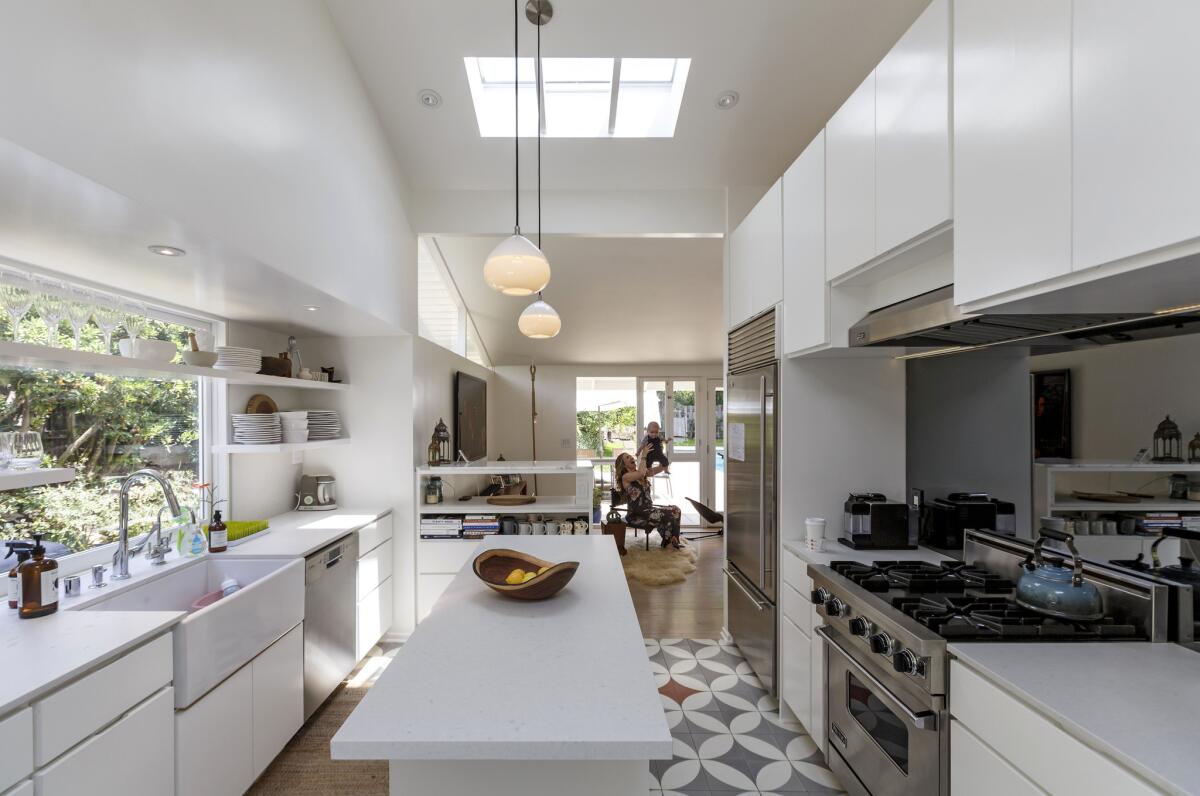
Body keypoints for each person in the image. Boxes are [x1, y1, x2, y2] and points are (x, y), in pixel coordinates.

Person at [613, 451, 682, 550]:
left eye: (631, 456)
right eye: (628, 458)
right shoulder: (626, 477)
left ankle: (673, 540)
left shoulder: (641, 473)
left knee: (676, 509)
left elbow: (657, 469)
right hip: (636, 514)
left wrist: (663, 461)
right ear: (623, 465)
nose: (631, 458)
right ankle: (668, 542)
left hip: (648, 510)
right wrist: (644, 455)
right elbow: (641, 473)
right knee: (666, 512)